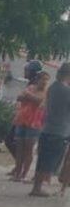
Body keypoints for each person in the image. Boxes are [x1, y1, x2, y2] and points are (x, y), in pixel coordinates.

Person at [30, 63, 70, 197]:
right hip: (61, 130)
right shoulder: (66, 91)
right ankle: (39, 187)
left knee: (42, 159)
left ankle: (36, 186)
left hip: (47, 128)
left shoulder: (52, 87)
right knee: (50, 161)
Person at [10, 70, 50, 182]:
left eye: (46, 80)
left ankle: (24, 174)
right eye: (43, 79)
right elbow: (19, 97)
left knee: (29, 149)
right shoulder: (31, 87)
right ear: (38, 80)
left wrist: (29, 96)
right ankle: (17, 173)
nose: (44, 82)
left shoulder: (47, 92)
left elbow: (41, 102)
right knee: (19, 148)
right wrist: (31, 97)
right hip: (22, 120)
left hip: (35, 123)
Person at [6, 60, 43, 169]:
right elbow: (20, 97)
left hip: (30, 119)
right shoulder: (29, 83)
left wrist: (26, 96)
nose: (25, 72)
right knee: (12, 141)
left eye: (27, 70)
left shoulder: (37, 85)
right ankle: (19, 165)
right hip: (22, 117)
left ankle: (20, 165)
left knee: (21, 144)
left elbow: (37, 100)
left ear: (33, 72)